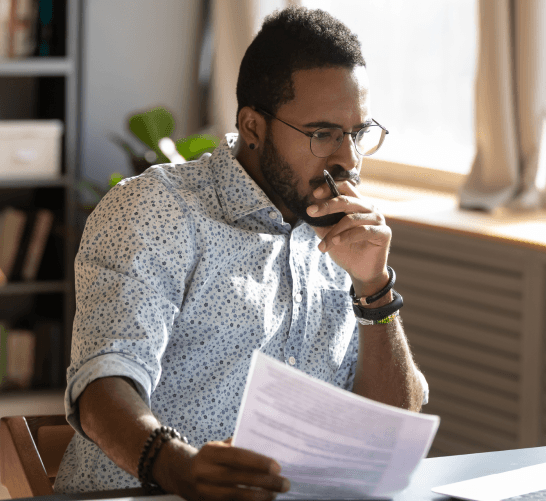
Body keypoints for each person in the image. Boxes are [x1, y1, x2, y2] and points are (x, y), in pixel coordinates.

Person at [54, 7, 427, 499]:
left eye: (357, 134)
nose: (348, 160)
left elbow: (390, 428)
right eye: (322, 134)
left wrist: (374, 289)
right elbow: (103, 382)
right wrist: (177, 468)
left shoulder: (343, 235)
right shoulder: (157, 210)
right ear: (253, 126)